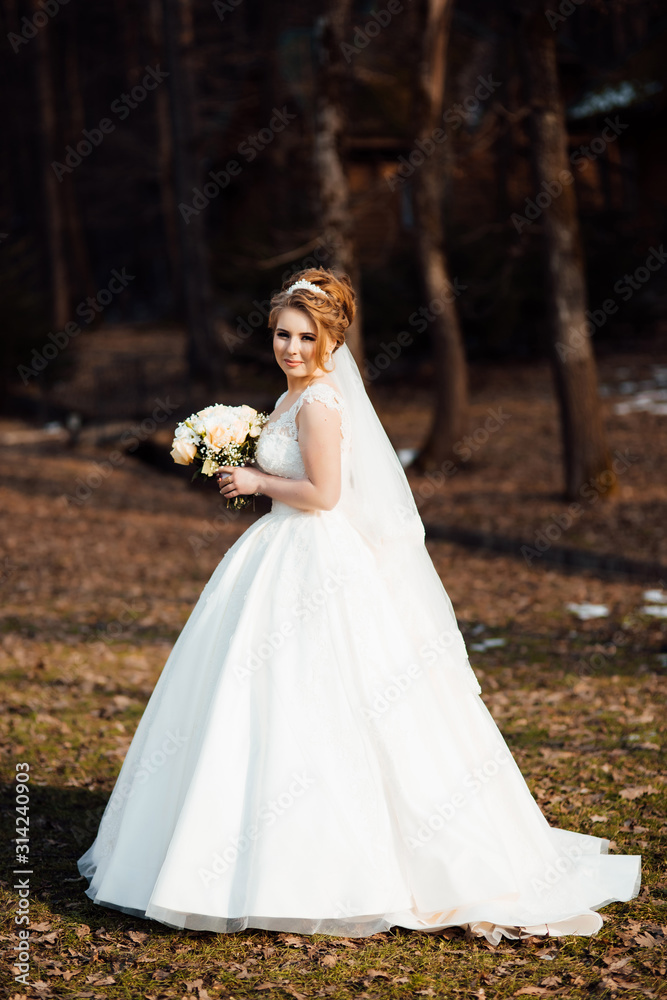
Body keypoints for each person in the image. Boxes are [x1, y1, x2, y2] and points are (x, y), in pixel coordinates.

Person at [77, 267, 641, 945]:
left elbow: (324, 494)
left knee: (326, 694)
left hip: (315, 554)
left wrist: (256, 477)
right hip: (277, 551)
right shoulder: (287, 400)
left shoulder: (319, 403)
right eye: (283, 334)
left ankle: (337, 863)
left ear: (328, 339)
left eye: (304, 336)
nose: (291, 347)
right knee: (256, 696)